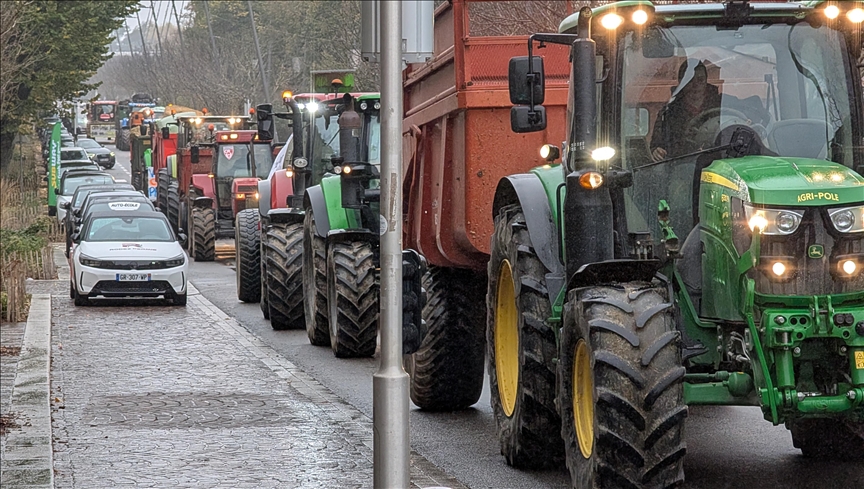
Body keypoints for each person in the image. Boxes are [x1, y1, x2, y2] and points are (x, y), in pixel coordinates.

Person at [650, 59, 722, 162]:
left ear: (706, 81)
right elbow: (655, 145)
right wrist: (656, 151)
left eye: (700, 80)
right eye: (690, 80)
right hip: (683, 167)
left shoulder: (723, 103)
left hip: (720, 162)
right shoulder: (668, 113)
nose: (695, 85)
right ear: (681, 82)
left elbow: (750, 106)